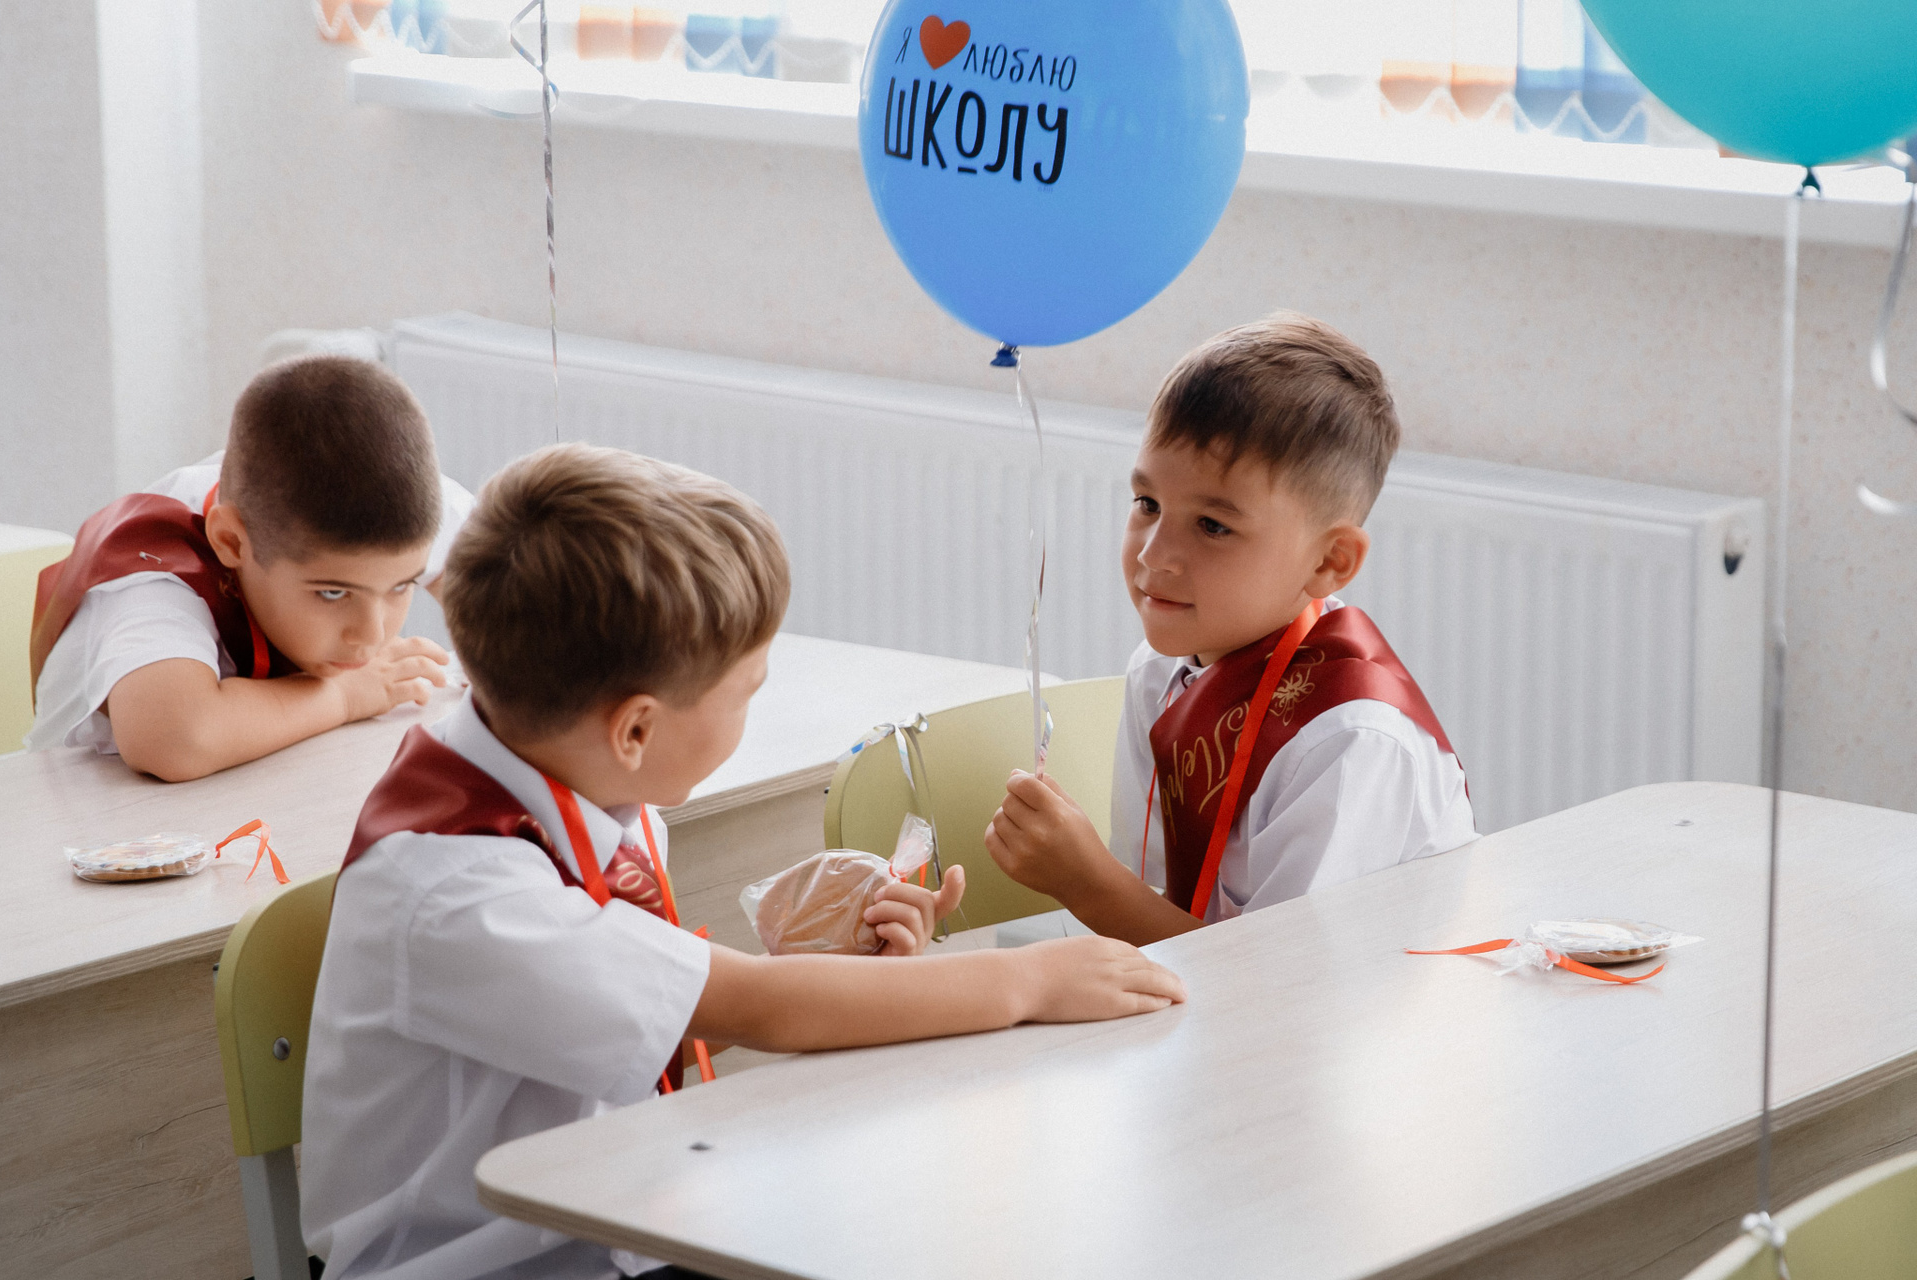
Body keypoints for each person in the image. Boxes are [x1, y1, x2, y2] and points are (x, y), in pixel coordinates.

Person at [300, 443, 1186, 1280]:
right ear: (636, 729)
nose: (753, 708)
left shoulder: (578, 782)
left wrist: (830, 968)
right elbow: (757, 1007)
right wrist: (1030, 980)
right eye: (746, 690)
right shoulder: (462, 891)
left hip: (618, 1219)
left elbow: (647, 1019)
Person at [985, 312, 1475, 945]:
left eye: (1213, 526)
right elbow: (1156, 899)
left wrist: (1085, 883)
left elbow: (1281, 984)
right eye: (1148, 504)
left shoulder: (1349, 741)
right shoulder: (1158, 673)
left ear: (1329, 562)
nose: (1154, 554)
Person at [26, 356, 469, 780]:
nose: (372, 635)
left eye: (402, 586)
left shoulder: (377, 507)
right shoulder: (154, 570)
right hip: (87, 816)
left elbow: (503, 583)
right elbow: (175, 739)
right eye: (332, 593)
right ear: (231, 542)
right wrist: (344, 695)